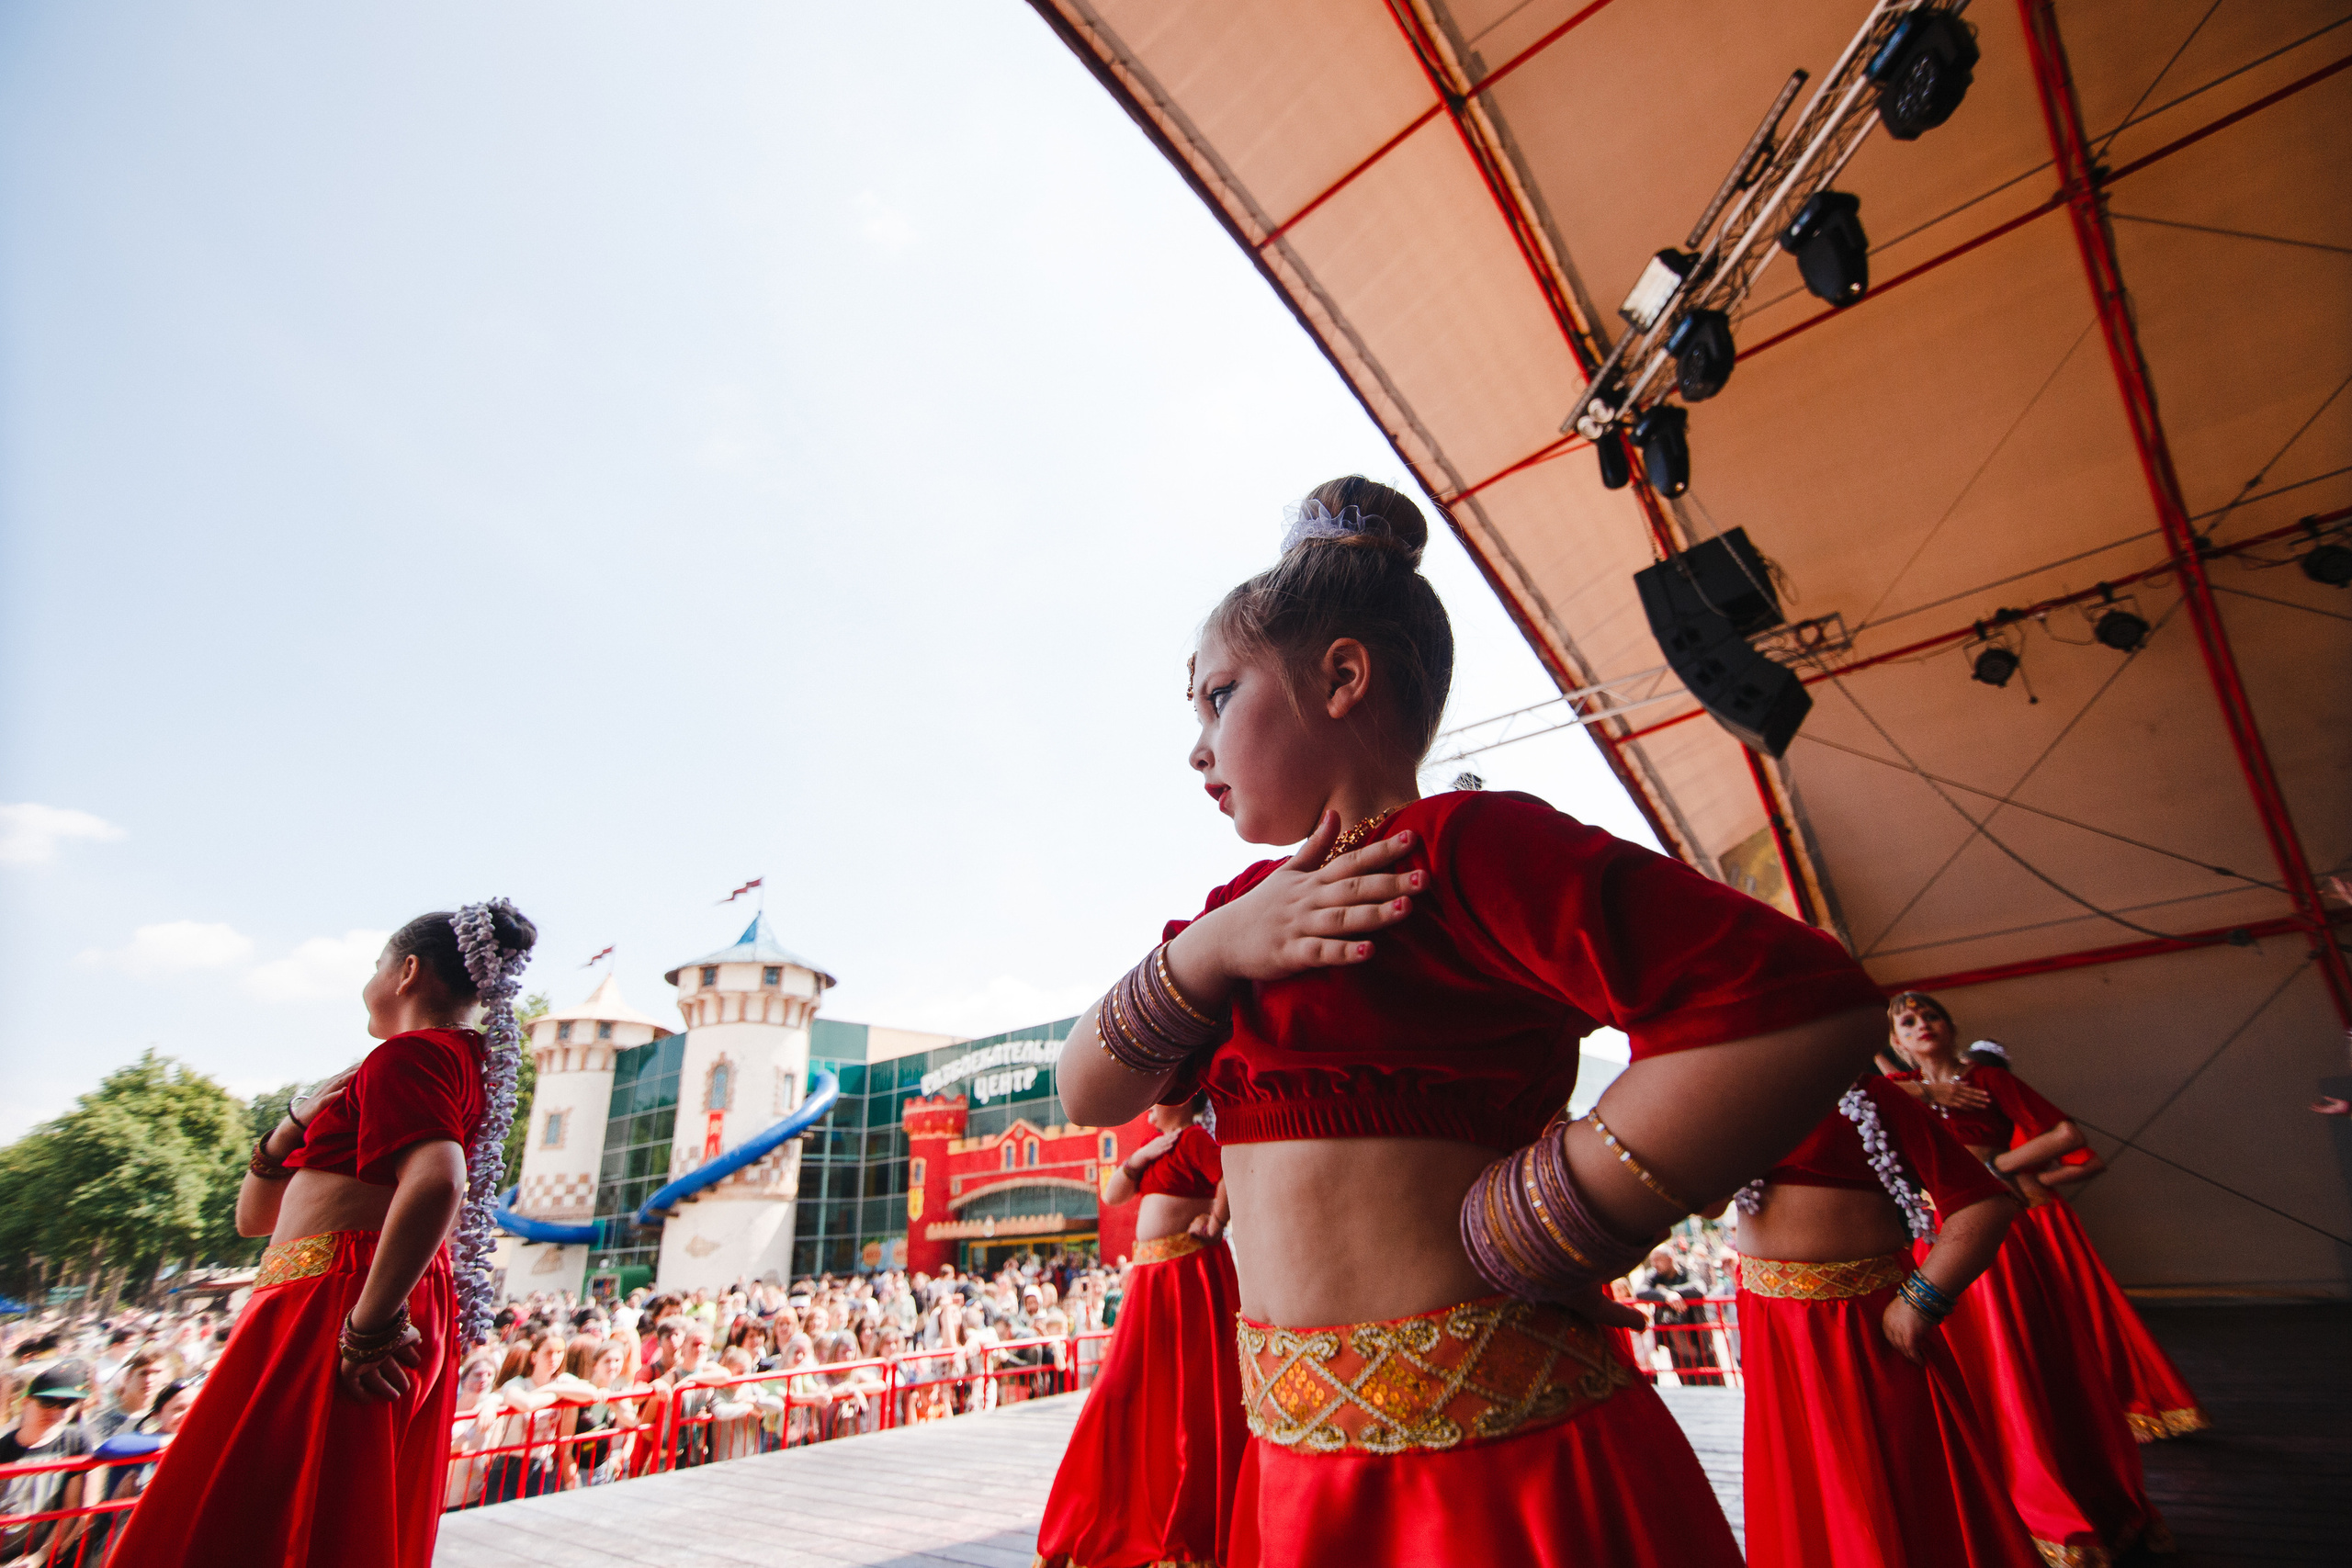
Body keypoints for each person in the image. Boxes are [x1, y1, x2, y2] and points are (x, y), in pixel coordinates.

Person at [1057, 478, 1886, 1568]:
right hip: (1296, 1476)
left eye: (1218, 696)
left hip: (1504, 1470)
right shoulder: (1229, 925)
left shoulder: (1467, 849)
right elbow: (1089, 1092)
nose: (1198, 748)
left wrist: (1558, 1211)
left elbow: (1808, 1004)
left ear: (1342, 677)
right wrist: (1212, 951)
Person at [107, 902, 537, 1568]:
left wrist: (368, 1323)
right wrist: (290, 1124)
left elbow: (438, 1180)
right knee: (303, 1509)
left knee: (266, 1516)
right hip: (332, 1290)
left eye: (376, 965)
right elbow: (255, 1219)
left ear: (408, 972)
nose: (369, 980)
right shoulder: (436, 1062)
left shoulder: (411, 1054)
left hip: (342, 1296)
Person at [1883, 993, 2171, 1562]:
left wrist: (1991, 1167)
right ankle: (1995, 1500)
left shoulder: (1985, 1077)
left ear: (1950, 1024)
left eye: (1930, 1016)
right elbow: (1852, 1101)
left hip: (1991, 1229)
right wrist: (1928, 1091)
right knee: (1966, 1369)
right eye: (1907, 1022)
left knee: (2020, 1360)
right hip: (1929, 1234)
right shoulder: (1899, 1092)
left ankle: (2055, 1495)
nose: (1921, 1025)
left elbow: (2065, 1135)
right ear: (1895, 1044)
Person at [1733, 1076, 2038, 1567]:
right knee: (1803, 1481)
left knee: (1891, 1482)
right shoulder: (1738, 1096)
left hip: (1862, 1326)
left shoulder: (1870, 1095)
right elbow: (1692, 1198)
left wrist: (1922, 1300)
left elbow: (1984, 1205)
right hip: (1773, 1326)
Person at [1035, 1098, 1244, 1568]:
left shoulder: (1193, 1138)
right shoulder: (1157, 1144)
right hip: (1151, 1281)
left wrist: (1216, 1220)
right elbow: (1112, 1195)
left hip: (1185, 1273)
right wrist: (1140, 1159)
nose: (1148, 1108)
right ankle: (1121, 1510)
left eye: (1157, 1099)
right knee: (1120, 1389)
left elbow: (1230, 1172)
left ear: (1181, 1099)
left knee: (1187, 1396)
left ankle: (1182, 1521)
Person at [0, 1359, 96, 1568]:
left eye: (65, 1404)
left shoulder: (76, 1442)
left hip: (42, 1558)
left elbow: (73, 1508)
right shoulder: (3, 1447)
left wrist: (40, 1557)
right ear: (26, 1402)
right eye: (47, 1401)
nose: (55, 1412)